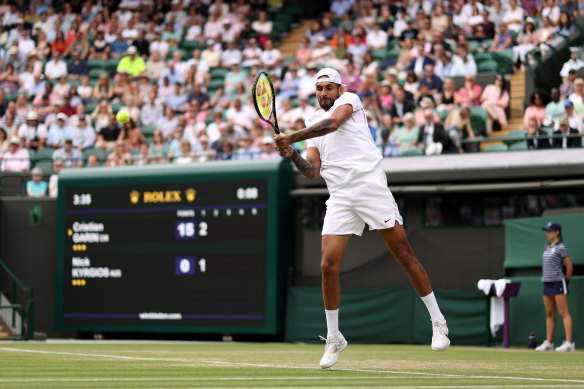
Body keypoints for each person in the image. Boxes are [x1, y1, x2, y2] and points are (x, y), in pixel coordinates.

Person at [273, 68, 450, 369]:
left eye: (329, 87)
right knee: (328, 265)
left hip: (370, 186)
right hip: (340, 195)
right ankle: (334, 337)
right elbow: (312, 172)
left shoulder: (351, 101)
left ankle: (438, 321)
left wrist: (293, 136)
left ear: (340, 89)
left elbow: (332, 124)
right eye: (319, 89)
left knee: (404, 254)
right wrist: (292, 153)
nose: (324, 93)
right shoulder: (310, 121)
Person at [535, 222, 575, 352]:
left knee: (563, 312)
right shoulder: (546, 247)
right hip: (547, 283)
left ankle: (569, 343)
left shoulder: (561, 247)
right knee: (549, 313)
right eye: (546, 231)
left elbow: (569, 267)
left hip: (558, 282)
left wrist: (565, 281)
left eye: (550, 231)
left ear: (557, 232)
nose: (547, 233)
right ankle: (549, 343)